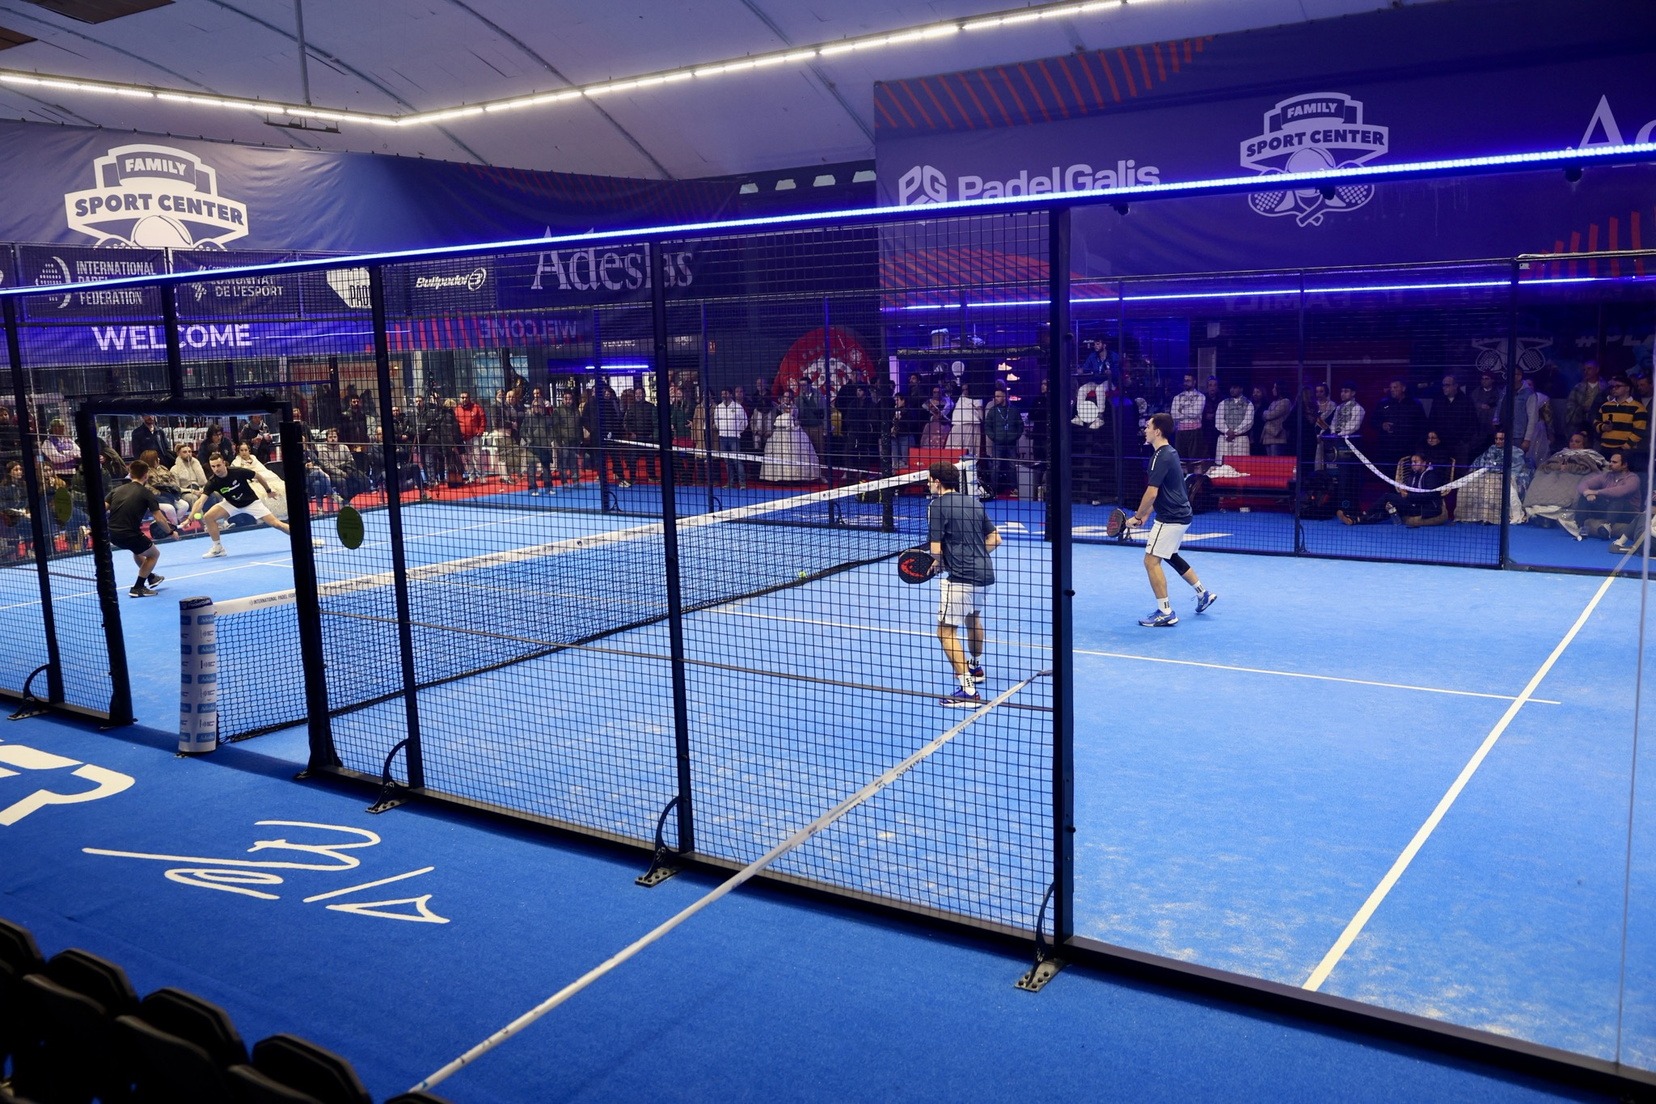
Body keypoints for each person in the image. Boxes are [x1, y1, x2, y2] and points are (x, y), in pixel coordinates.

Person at [925, 460, 1001, 707]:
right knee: (973, 618)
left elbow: (935, 549)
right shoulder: (974, 502)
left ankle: (968, 691)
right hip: (985, 574)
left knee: (945, 632)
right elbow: (995, 539)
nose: (928, 484)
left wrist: (941, 562)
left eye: (929, 480)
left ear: (937, 482)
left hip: (961, 579)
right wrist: (972, 555)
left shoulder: (937, 506)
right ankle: (976, 668)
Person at [1129, 413, 1217, 628]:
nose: (1145, 430)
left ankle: (1165, 612)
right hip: (1181, 514)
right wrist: (1147, 514)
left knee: (1151, 561)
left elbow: (1152, 492)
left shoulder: (1160, 457)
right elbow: (1164, 490)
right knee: (1169, 555)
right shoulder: (1170, 452)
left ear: (1158, 431)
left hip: (1171, 518)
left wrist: (1138, 516)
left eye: (1148, 426)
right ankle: (1203, 593)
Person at [188, 454, 320, 557]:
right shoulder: (212, 482)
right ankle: (218, 548)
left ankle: (306, 540)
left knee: (277, 524)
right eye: (213, 466)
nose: (216, 469)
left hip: (251, 502)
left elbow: (258, 476)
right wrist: (190, 517)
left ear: (224, 463)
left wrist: (268, 491)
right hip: (231, 504)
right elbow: (200, 501)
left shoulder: (238, 471)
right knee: (208, 517)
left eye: (218, 465)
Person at [106, 459, 176, 597]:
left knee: (138, 550)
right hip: (130, 534)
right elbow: (160, 519)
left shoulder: (116, 490)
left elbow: (101, 509)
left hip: (112, 534)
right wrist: (171, 532)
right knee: (154, 554)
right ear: (146, 475)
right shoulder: (146, 493)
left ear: (130, 474)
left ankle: (151, 577)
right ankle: (138, 587)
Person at [1337, 454, 1446, 526]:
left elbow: (1431, 495)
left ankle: (1362, 514)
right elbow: (1411, 491)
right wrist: (1404, 492)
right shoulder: (1413, 475)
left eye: (1416, 462)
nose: (1413, 465)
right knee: (1388, 509)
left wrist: (1408, 496)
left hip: (1425, 508)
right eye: (1412, 462)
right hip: (1413, 503)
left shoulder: (1431, 476)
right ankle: (1356, 520)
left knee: (1387, 496)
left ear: (1424, 462)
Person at [1572, 450, 1642, 539]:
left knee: (1618, 499)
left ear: (1624, 465)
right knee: (1584, 497)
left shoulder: (1633, 478)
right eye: (1610, 461)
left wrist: (1596, 492)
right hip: (1609, 509)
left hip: (1628, 513)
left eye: (1614, 462)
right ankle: (1578, 526)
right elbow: (1583, 485)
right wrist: (1587, 493)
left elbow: (1620, 492)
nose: (1610, 464)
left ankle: (1608, 526)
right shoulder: (1607, 476)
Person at [981, 387, 1023, 498]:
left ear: (1004, 397)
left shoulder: (1014, 410)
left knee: (1012, 466)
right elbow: (987, 426)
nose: (996, 398)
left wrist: (1015, 437)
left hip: (1011, 443)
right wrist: (994, 437)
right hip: (998, 443)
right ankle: (993, 491)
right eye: (995, 396)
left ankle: (1014, 489)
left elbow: (1020, 425)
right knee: (996, 466)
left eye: (998, 396)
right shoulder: (993, 411)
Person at [712, 388, 748, 489]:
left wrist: (738, 431)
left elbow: (745, 421)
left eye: (726, 393)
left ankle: (742, 483)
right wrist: (721, 429)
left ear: (731, 395)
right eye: (722, 394)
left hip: (734, 438)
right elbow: (716, 421)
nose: (724, 395)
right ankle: (730, 483)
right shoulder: (718, 407)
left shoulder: (738, 407)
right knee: (727, 462)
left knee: (737, 461)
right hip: (722, 437)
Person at [1170, 373, 1205, 468]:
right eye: (1185, 380)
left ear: (1194, 382)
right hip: (1180, 432)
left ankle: (1197, 478)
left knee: (1196, 463)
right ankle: (1183, 477)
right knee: (1181, 462)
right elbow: (1174, 415)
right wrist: (1189, 412)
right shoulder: (1177, 397)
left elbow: (1196, 413)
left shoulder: (1200, 397)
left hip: (1195, 432)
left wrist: (1181, 411)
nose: (1185, 383)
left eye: (1188, 381)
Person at [1214, 381, 1254, 462]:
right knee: (1223, 465)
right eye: (1231, 388)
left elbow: (1248, 422)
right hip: (1225, 438)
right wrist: (1227, 431)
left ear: (1241, 389)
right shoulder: (1223, 403)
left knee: (1241, 466)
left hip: (1241, 440)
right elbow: (1218, 420)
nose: (1232, 390)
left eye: (1235, 388)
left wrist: (1234, 432)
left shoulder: (1249, 404)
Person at [1260, 381, 1294, 456]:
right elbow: (1264, 417)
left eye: (1275, 387)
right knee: (1269, 461)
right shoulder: (1273, 402)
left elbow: (1271, 415)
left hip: (1278, 436)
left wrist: (1265, 413)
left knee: (1276, 460)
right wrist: (1266, 414)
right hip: (1267, 436)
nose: (1273, 389)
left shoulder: (1285, 402)